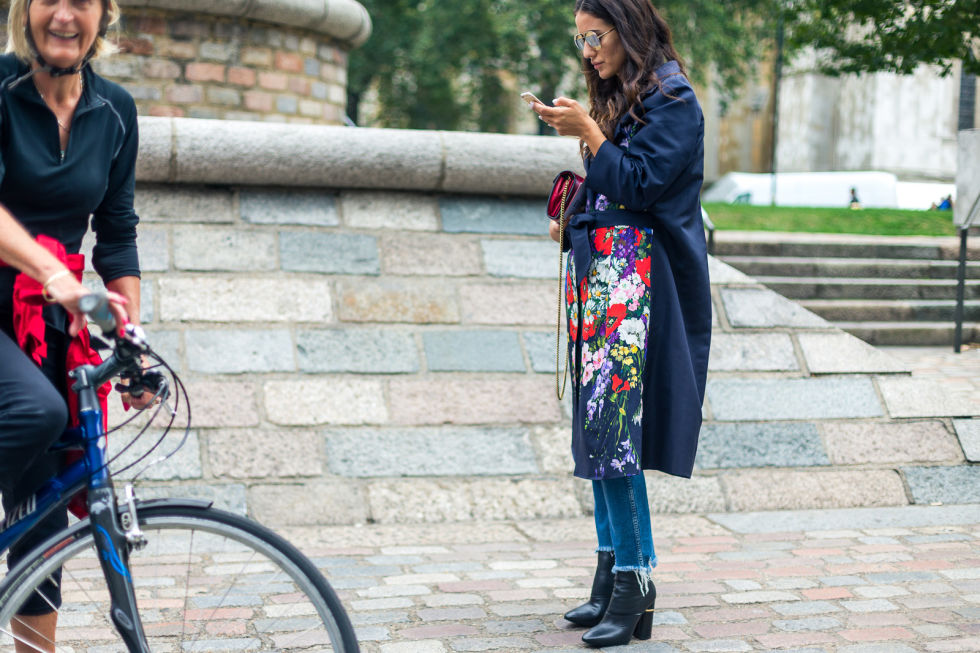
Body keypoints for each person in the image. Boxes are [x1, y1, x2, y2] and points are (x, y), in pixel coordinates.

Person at [533, 0, 711, 647]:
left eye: (595, 38)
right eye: (579, 41)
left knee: (616, 435)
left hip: (639, 285)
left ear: (627, 29)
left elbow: (639, 182)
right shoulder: (626, 96)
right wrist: (570, 209)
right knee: (599, 433)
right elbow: (607, 189)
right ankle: (612, 571)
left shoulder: (673, 97)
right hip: (606, 279)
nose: (588, 53)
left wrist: (589, 131)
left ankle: (636, 578)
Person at [0, 0, 142, 649]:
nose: (64, 14)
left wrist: (130, 339)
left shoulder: (114, 111)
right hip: (20, 299)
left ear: (104, 14)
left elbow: (116, 234)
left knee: (45, 505)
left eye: (81, 0)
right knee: (35, 410)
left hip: (51, 327)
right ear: (23, 11)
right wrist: (51, 272)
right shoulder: (0, 90)